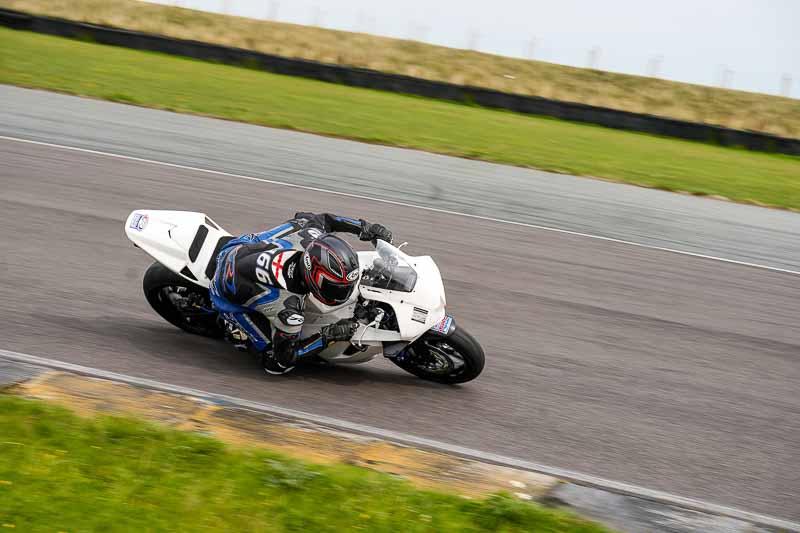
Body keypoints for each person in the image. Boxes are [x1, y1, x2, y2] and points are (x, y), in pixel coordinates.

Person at [209, 212, 392, 375]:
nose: (344, 291)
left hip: (239, 248)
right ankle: (232, 327)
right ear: (314, 278)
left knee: (304, 220)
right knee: (276, 362)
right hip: (225, 291)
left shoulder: (309, 237)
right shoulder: (288, 307)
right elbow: (285, 357)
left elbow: (325, 219)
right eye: (336, 287)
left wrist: (365, 228)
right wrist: (329, 335)